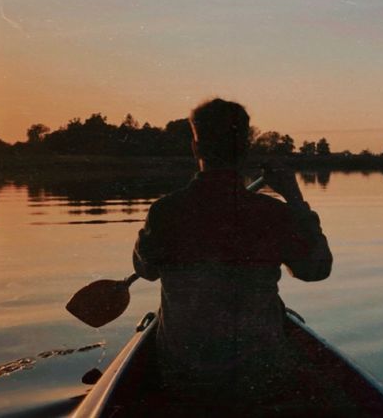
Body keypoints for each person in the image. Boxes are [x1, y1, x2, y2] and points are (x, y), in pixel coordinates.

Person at [133, 98, 333, 410]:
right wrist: (294, 198)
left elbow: (145, 270)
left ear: (196, 148)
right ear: (246, 148)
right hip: (261, 377)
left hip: (186, 377)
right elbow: (317, 269)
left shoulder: (165, 212)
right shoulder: (272, 213)